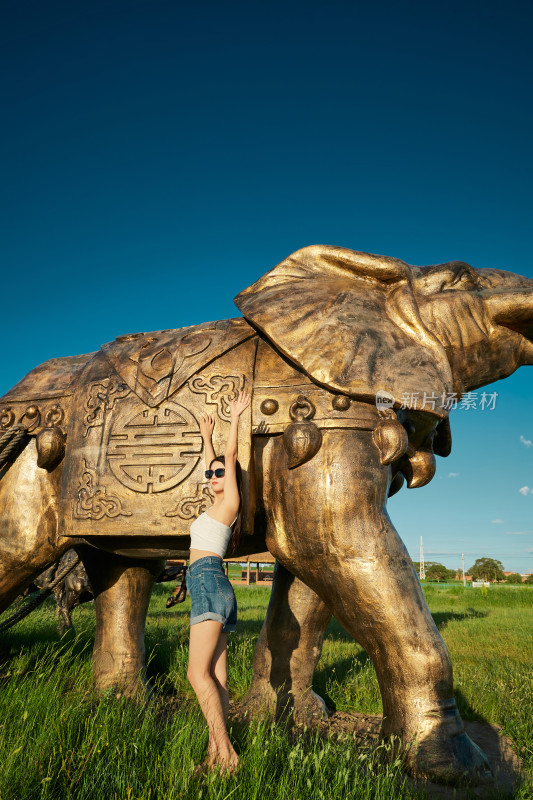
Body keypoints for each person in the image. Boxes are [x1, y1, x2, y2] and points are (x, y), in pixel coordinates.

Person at [186, 390, 251, 775]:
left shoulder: (231, 504)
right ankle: (214, 755)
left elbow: (230, 459)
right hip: (210, 583)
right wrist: (205, 437)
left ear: (232, 476)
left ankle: (226, 755)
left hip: (208, 581)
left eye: (218, 473)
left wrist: (235, 418)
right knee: (217, 676)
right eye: (209, 474)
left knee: (196, 674)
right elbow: (210, 464)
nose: (212, 476)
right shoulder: (214, 502)